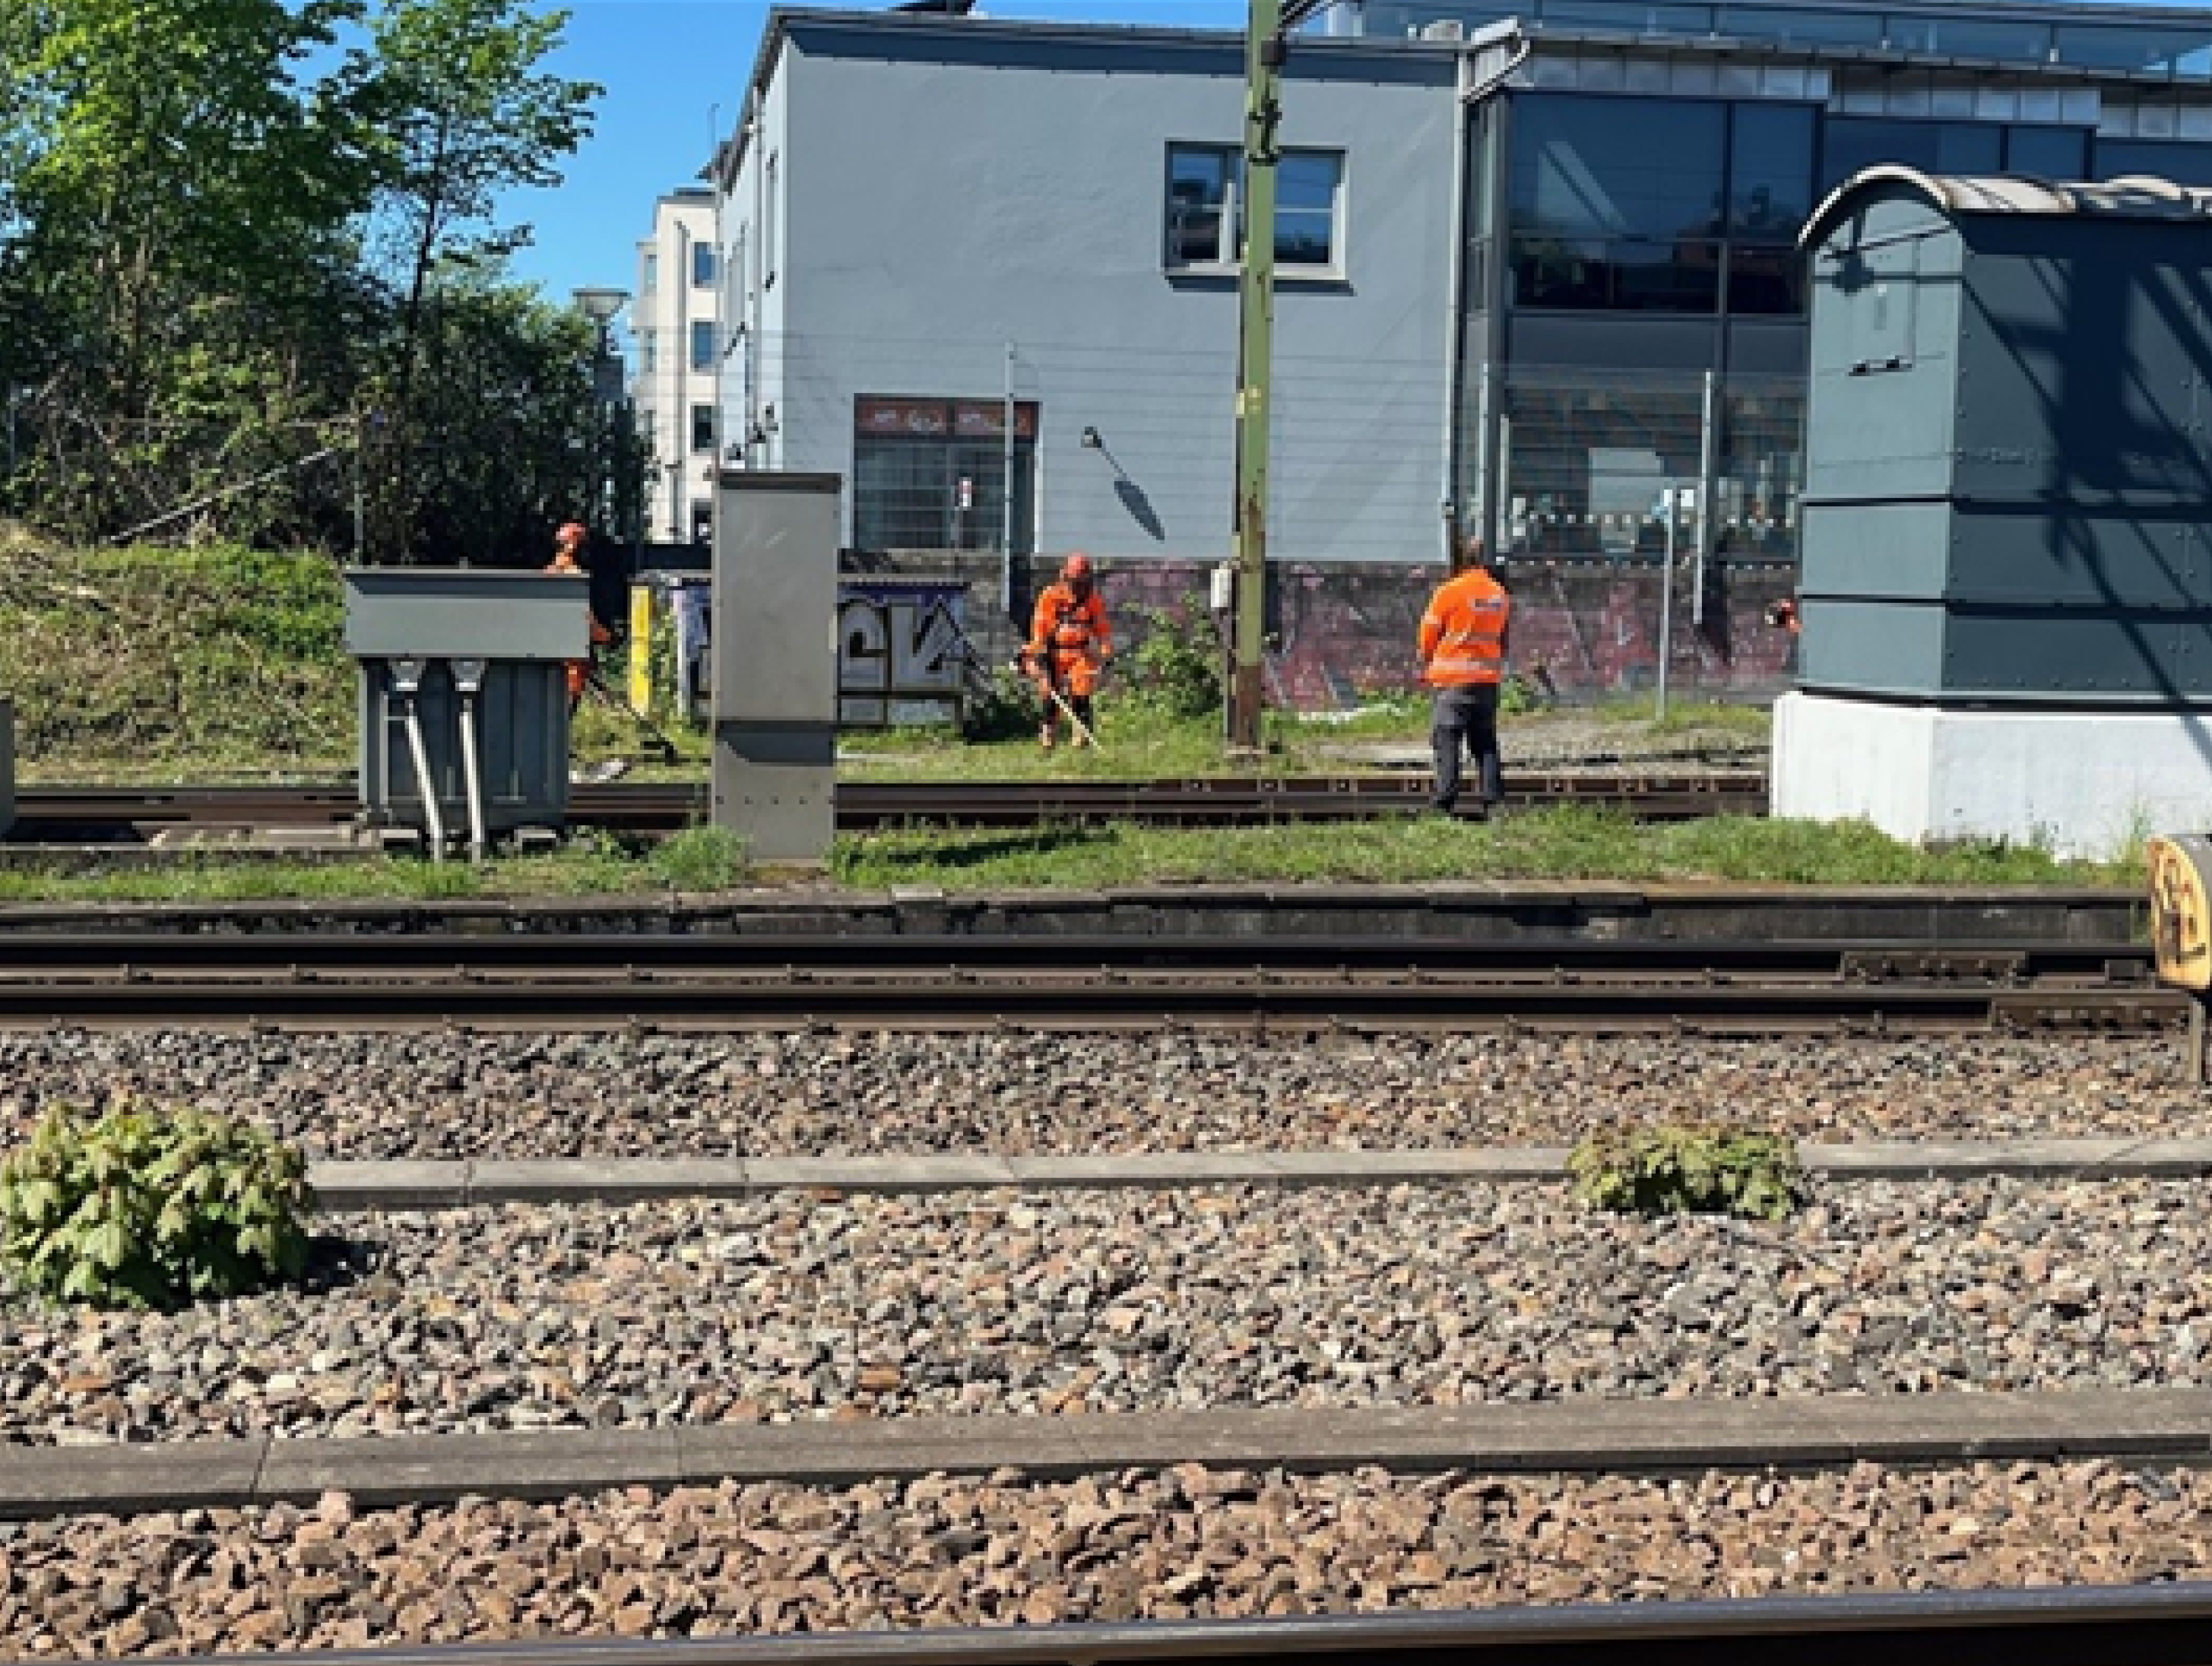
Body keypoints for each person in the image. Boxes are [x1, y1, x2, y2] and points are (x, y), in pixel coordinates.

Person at [1418, 538, 1512, 816]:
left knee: (1447, 740)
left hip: (1453, 681)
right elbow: (1502, 638)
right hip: (1486, 681)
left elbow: (1428, 636)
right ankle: (1493, 803)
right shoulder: (1499, 594)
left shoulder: (1449, 592)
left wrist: (1429, 660)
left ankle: (1444, 802)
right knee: (1485, 743)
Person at [1024, 551, 1112, 749]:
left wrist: (1106, 652)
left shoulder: (1093, 600)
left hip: (1080, 654)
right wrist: (1037, 653)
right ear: (1066, 578)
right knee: (1050, 695)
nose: (1081, 586)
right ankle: (1048, 736)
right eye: (1077, 581)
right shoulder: (1050, 596)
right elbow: (1040, 626)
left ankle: (1081, 738)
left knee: (1082, 694)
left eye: (1085, 581)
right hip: (1053, 652)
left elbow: (1102, 629)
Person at [546, 521, 614, 719]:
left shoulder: (550, 572)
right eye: (582, 544)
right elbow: (585, 619)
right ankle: (560, 748)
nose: (586, 550)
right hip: (571, 660)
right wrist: (607, 637)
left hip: (550, 652)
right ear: (571, 545)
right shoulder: (573, 576)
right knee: (565, 711)